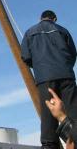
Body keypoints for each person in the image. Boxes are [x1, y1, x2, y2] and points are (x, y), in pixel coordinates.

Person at [21, 10, 77, 149]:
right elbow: (72, 54)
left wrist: (40, 67)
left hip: (44, 78)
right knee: (73, 111)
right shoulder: (63, 31)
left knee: (48, 112)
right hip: (66, 76)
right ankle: (75, 139)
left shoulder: (30, 32)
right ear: (54, 18)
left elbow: (26, 57)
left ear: (40, 18)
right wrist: (65, 66)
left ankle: (49, 144)